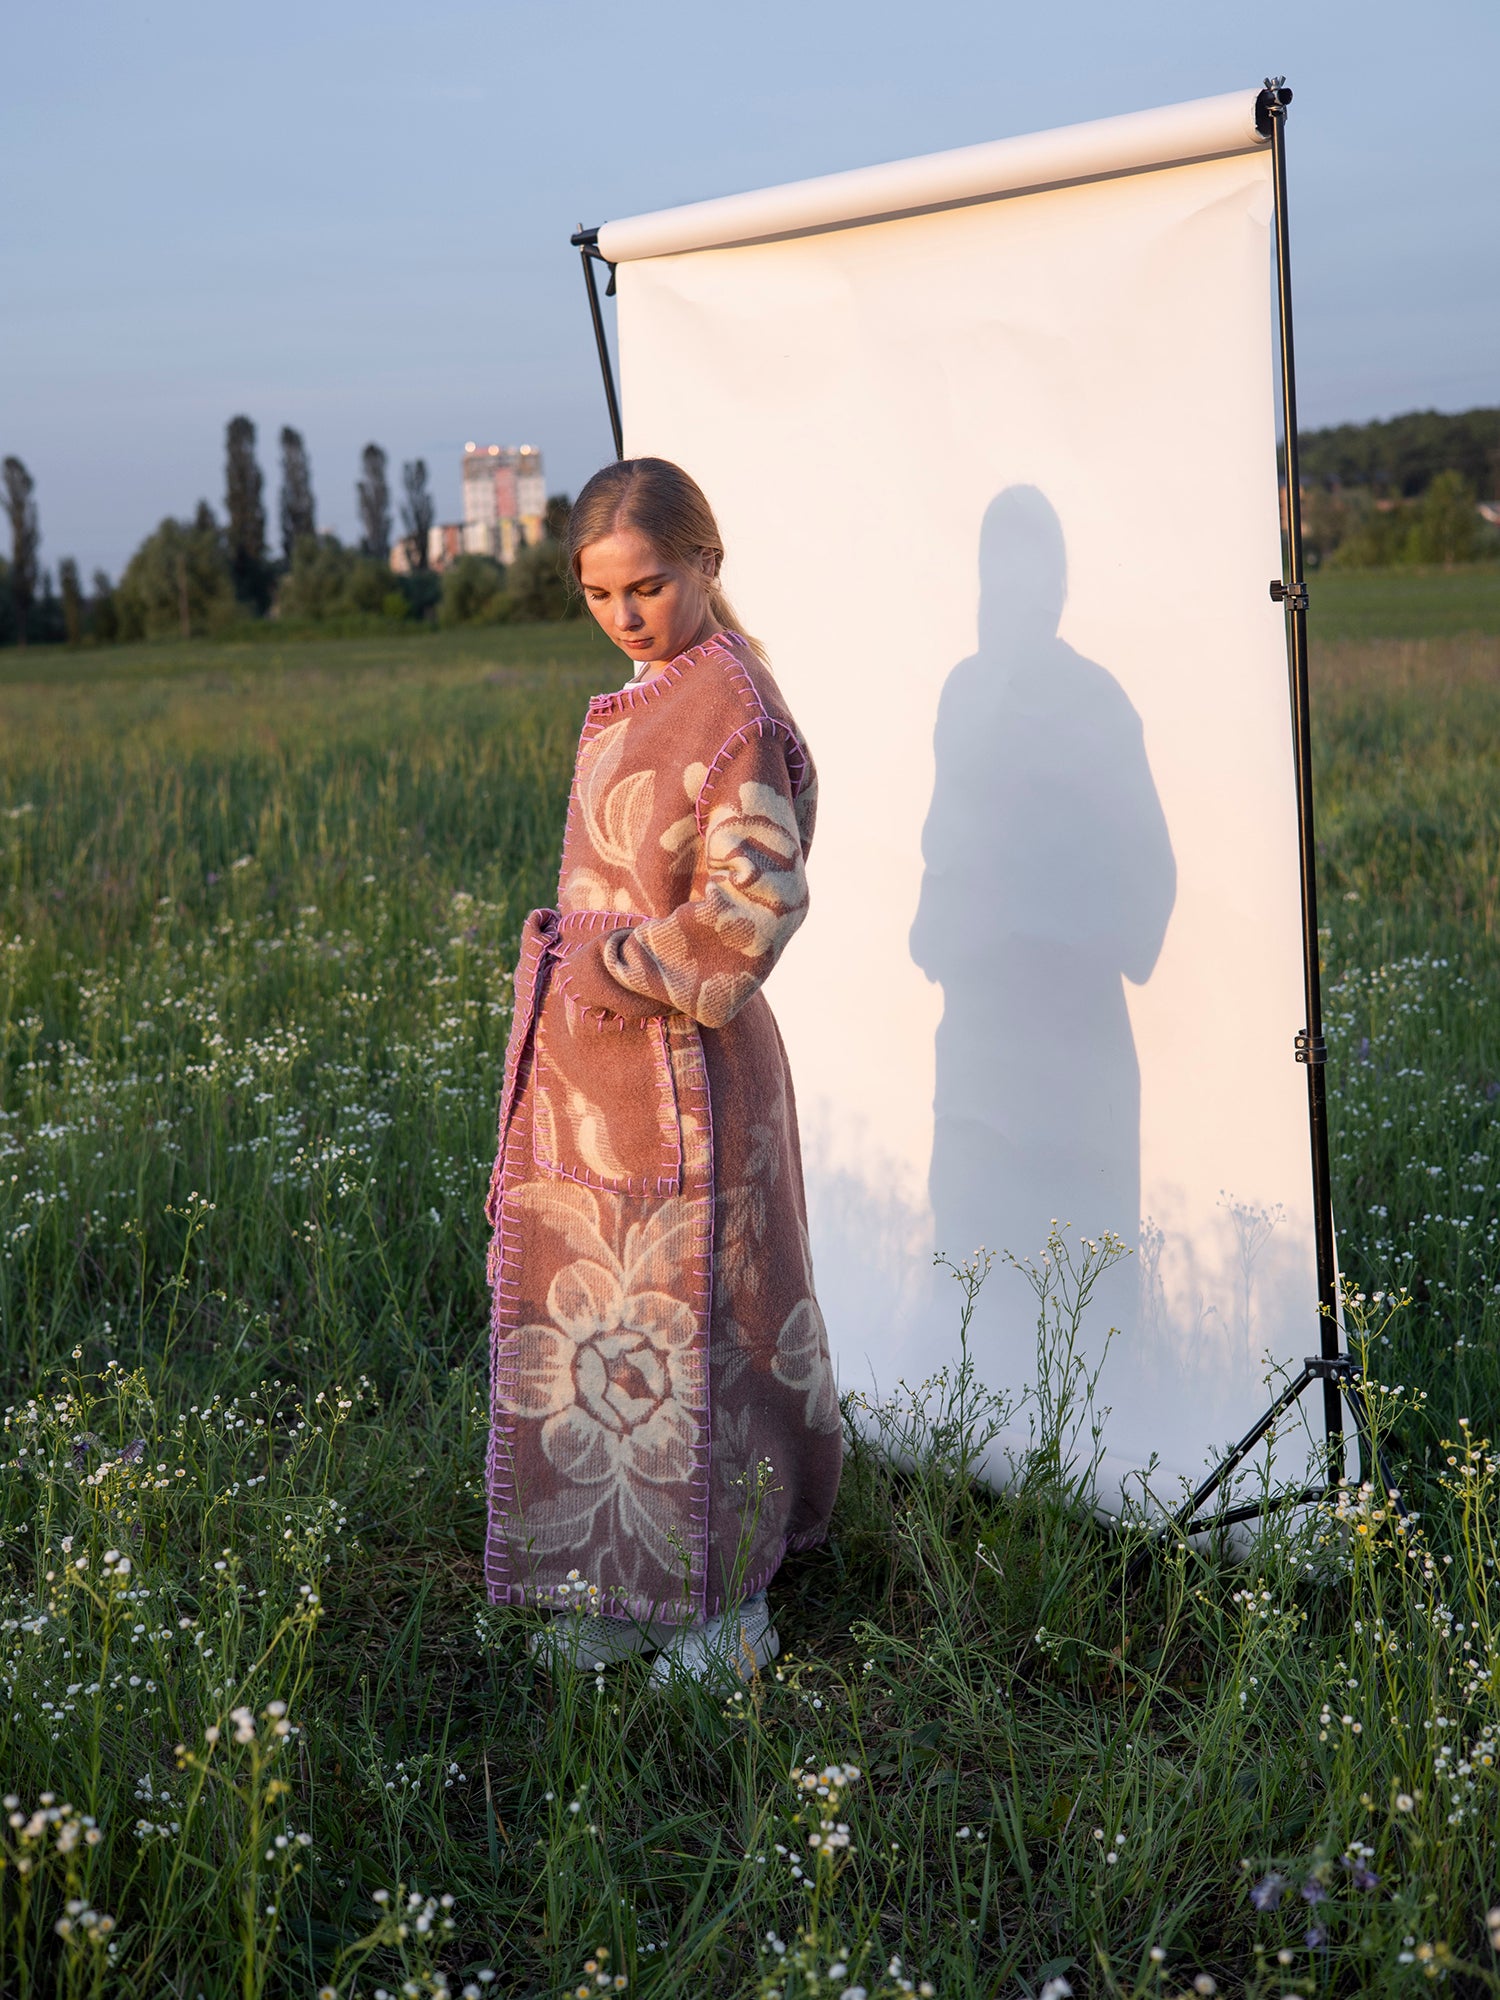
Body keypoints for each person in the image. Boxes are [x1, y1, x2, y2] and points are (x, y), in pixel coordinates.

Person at [482, 457, 840, 1682]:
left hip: (688, 1065)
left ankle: (723, 1602)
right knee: (608, 1319)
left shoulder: (728, 701)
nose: (627, 613)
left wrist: (616, 967)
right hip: (605, 1083)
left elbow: (756, 901)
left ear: (706, 562)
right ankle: (623, 1580)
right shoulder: (655, 690)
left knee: (707, 1325)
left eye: (648, 584)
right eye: (598, 593)